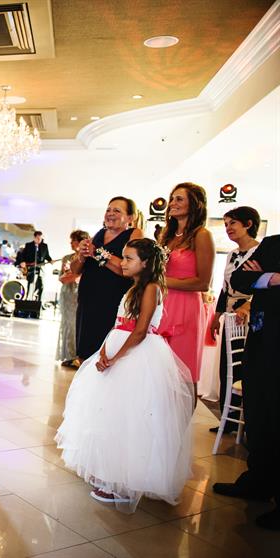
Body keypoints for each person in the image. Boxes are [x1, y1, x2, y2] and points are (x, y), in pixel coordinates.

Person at [56, 238, 194, 513]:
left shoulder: (153, 288)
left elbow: (141, 330)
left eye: (129, 258)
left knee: (129, 417)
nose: (124, 262)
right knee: (108, 414)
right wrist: (106, 351)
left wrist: (117, 358)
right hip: (118, 345)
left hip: (136, 353)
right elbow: (120, 324)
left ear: (146, 263)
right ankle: (109, 471)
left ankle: (122, 482)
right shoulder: (134, 287)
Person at [212, 234, 280, 530]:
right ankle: (257, 482)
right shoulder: (273, 243)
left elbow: (252, 277)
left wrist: (260, 275)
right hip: (262, 343)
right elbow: (239, 279)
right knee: (258, 415)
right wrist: (274, 278)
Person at [158, 183, 215, 393]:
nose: (172, 203)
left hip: (185, 307)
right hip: (162, 305)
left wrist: (162, 281)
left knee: (183, 373)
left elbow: (203, 283)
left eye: (179, 199)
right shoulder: (168, 236)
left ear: (195, 204)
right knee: (159, 370)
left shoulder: (202, 235)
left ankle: (181, 424)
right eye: (172, 199)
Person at [71, 197, 143, 361]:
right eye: (108, 210)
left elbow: (127, 269)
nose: (110, 214)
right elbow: (75, 270)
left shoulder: (134, 234)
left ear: (130, 218)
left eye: (117, 211)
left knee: (105, 352)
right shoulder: (99, 234)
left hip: (111, 302)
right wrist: (81, 256)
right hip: (87, 301)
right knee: (84, 351)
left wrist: (96, 253)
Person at [208, 206, 260, 432]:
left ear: (248, 224)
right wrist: (215, 317)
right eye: (226, 224)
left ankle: (250, 421)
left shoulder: (261, 252)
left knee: (247, 365)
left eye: (233, 223)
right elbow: (224, 289)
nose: (228, 228)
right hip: (230, 315)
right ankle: (227, 418)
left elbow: (262, 287)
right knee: (227, 366)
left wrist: (248, 305)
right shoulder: (230, 255)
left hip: (251, 316)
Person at [56, 230, 89, 367]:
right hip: (68, 294)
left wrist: (73, 275)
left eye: (72, 240)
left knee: (80, 325)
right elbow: (62, 278)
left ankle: (79, 355)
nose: (71, 243)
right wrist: (74, 275)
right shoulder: (67, 258)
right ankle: (69, 355)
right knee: (68, 324)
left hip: (82, 293)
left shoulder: (88, 257)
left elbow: (74, 275)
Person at [16, 230, 52, 300]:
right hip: (31, 268)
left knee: (41, 285)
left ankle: (38, 301)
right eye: (38, 238)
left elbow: (47, 256)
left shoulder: (45, 246)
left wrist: (50, 260)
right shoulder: (28, 245)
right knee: (31, 284)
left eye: (41, 238)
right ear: (34, 238)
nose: (39, 240)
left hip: (41, 268)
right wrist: (22, 262)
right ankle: (28, 299)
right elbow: (23, 255)